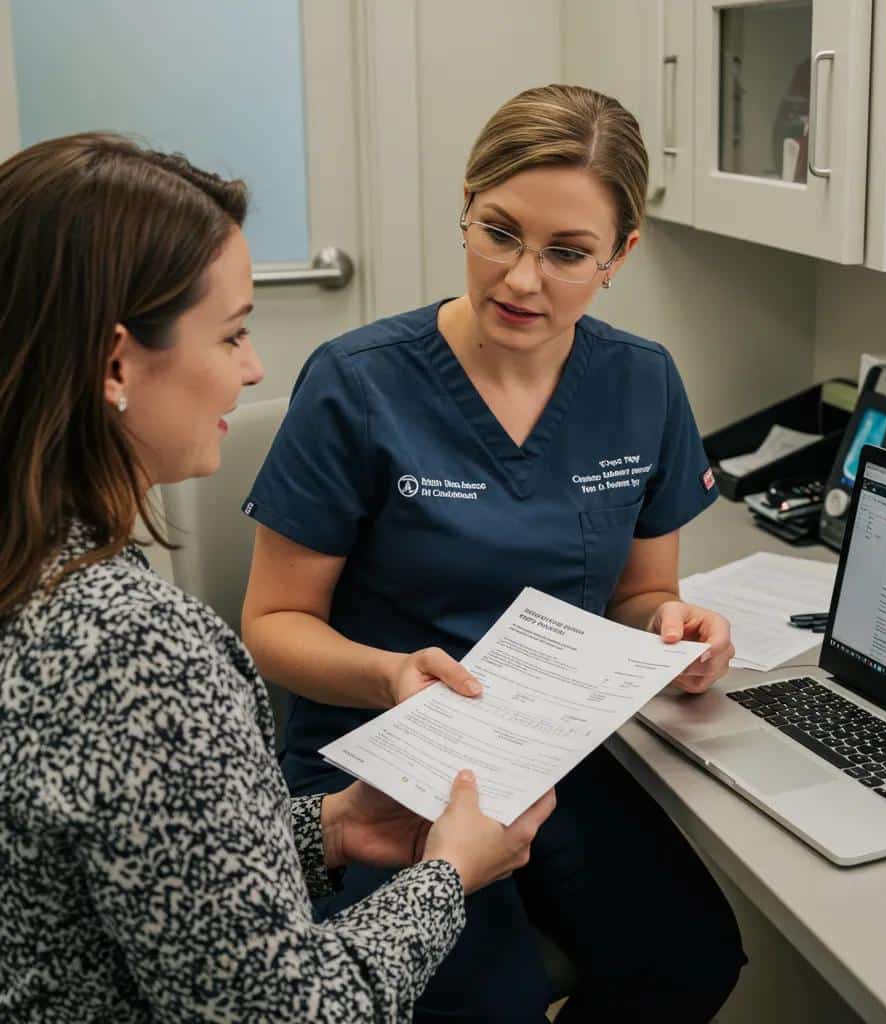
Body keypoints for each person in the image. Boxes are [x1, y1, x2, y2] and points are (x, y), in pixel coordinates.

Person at [0, 132, 554, 1023]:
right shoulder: (135, 652)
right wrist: (450, 876)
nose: (254, 368)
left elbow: (141, 879)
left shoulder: (30, 574)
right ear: (115, 365)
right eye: (232, 334)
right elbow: (288, 1013)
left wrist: (329, 829)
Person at [242, 84, 747, 1023]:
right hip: (376, 767)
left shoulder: (642, 382)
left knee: (690, 956)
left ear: (620, 257)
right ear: (465, 209)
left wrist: (674, 629)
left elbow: (644, 592)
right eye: (499, 233)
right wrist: (396, 675)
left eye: (566, 254)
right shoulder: (357, 384)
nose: (521, 279)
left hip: (551, 755)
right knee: (486, 1005)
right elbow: (272, 626)